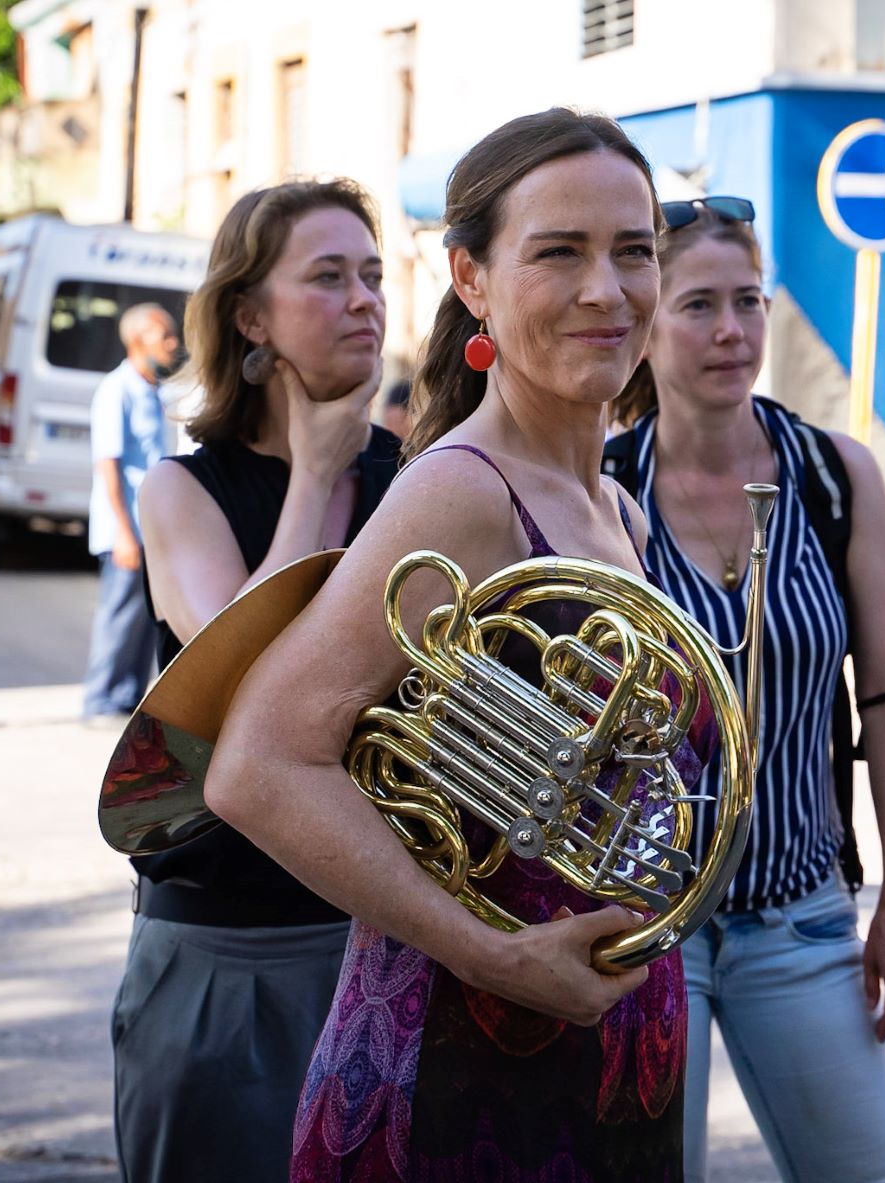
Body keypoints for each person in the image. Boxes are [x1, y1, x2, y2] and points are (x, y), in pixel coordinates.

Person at [201, 110, 704, 1180]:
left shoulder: (616, 503)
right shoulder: (462, 492)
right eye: (558, 252)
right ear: (470, 277)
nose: (606, 290)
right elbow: (258, 763)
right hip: (462, 1060)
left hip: (613, 1046)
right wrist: (494, 954)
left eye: (634, 250)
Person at [608, 196, 885, 1181]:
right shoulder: (597, 487)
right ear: (646, 322)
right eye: (697, 304)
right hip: (640, 926)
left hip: (802, 914)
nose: (731, 331)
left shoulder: (835, 475)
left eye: (747, 301)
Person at [111, 179, 397, 1183]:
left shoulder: (422, 481)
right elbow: (246, 672)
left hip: (384, 945)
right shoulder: (181, 488)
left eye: (372, 273)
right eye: (327, 277)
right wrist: (319, 476)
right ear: (250, 316)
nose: (365, 298)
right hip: (221, 956)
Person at [81, 303, 179, 723]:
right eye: (165, 337)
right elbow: (109, 463)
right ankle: (101, 699)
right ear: (139, 340)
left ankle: (126, 701)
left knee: (143, 619)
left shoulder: (153, 390)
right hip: (125, 528)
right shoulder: (116, 389)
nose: (174, 345)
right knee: (119, 615)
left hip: (148, 530)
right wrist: (123, 531)